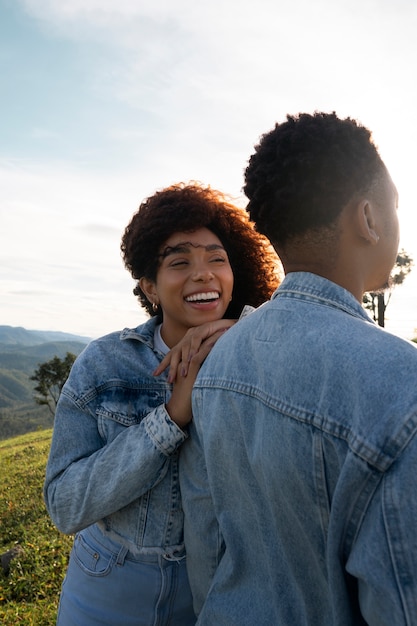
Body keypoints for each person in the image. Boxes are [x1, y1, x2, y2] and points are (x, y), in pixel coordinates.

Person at [180, 113, 417, 625]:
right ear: (369, 218)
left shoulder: (219, 363)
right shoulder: (402, 386)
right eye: (395, 205)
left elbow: (205, 538)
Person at [43, 182, 278, 626]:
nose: (203, 273)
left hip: (214, 591)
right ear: (149, 286)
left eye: (216, 258)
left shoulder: (259, 355)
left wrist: (241, 330)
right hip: (107, 585)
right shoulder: (106, 363)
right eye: (180, 261)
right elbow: (65, 504)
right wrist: (171, 417)